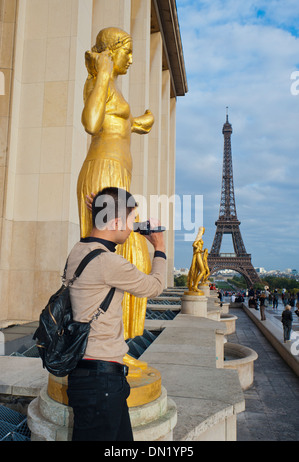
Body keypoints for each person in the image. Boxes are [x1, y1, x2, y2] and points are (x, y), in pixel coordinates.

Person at [65, 187, 166, 441]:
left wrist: (104, 213)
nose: (133, 229)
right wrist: (160, 248)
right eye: (131, 221)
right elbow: (155, 287)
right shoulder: (107, 263)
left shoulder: (79, 251)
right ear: (117, 221)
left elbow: (105, 249)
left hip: (90, 376)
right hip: (101, 383)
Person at [77, 27, 155, 344]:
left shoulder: (113, 91)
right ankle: (104, 341)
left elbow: (121, 123)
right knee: (120, 259)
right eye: (128, 51)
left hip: (117, 175)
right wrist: (104, 72)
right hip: (103, 173)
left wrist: (140, 122)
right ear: (112, 52)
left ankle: (117, 341)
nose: (132, 59)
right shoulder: (100, 82)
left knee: (125, 258)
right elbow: (91, 122)